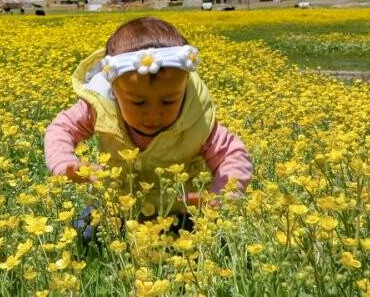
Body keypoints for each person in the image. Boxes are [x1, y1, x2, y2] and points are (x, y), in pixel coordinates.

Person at [44, 16, 252, 237]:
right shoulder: (99, 107)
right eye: (138, 102)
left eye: (168, 101)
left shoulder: (197, 118)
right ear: (114, 90)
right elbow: (61, 128)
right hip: (117, 205)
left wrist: (220, 195)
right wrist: (65, 163)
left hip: (179, 210)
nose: (153, 114)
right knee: (83, 234)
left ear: (184, 85)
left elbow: (232, 154)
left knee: (213, 238)